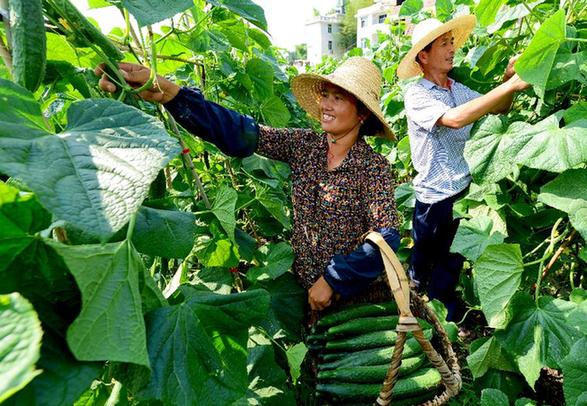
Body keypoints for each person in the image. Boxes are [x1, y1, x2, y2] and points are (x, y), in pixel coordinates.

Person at [97, 57, 401, 314]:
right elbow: (243, 133)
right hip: (308, 293)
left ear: (361, 112)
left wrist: (335, 279)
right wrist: (172, 95)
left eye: (338, 98)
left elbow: (386, 237)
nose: (326, 105)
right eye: (325, 95)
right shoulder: (305, 146)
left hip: (358, 302)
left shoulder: (372, 168)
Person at [397, 15, 530, 321]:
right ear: (424, 56)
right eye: (444, 44)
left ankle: (445, 321)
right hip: (434, 197)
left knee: (451, 262)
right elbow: (455, 119)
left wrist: (508, 82)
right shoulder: (417, 94)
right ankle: (412, 313)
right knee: (424, 267)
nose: (451, 48)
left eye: (451, 42)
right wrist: (509, 85)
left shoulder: (458, 88)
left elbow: (497, 106)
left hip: (462, 192)